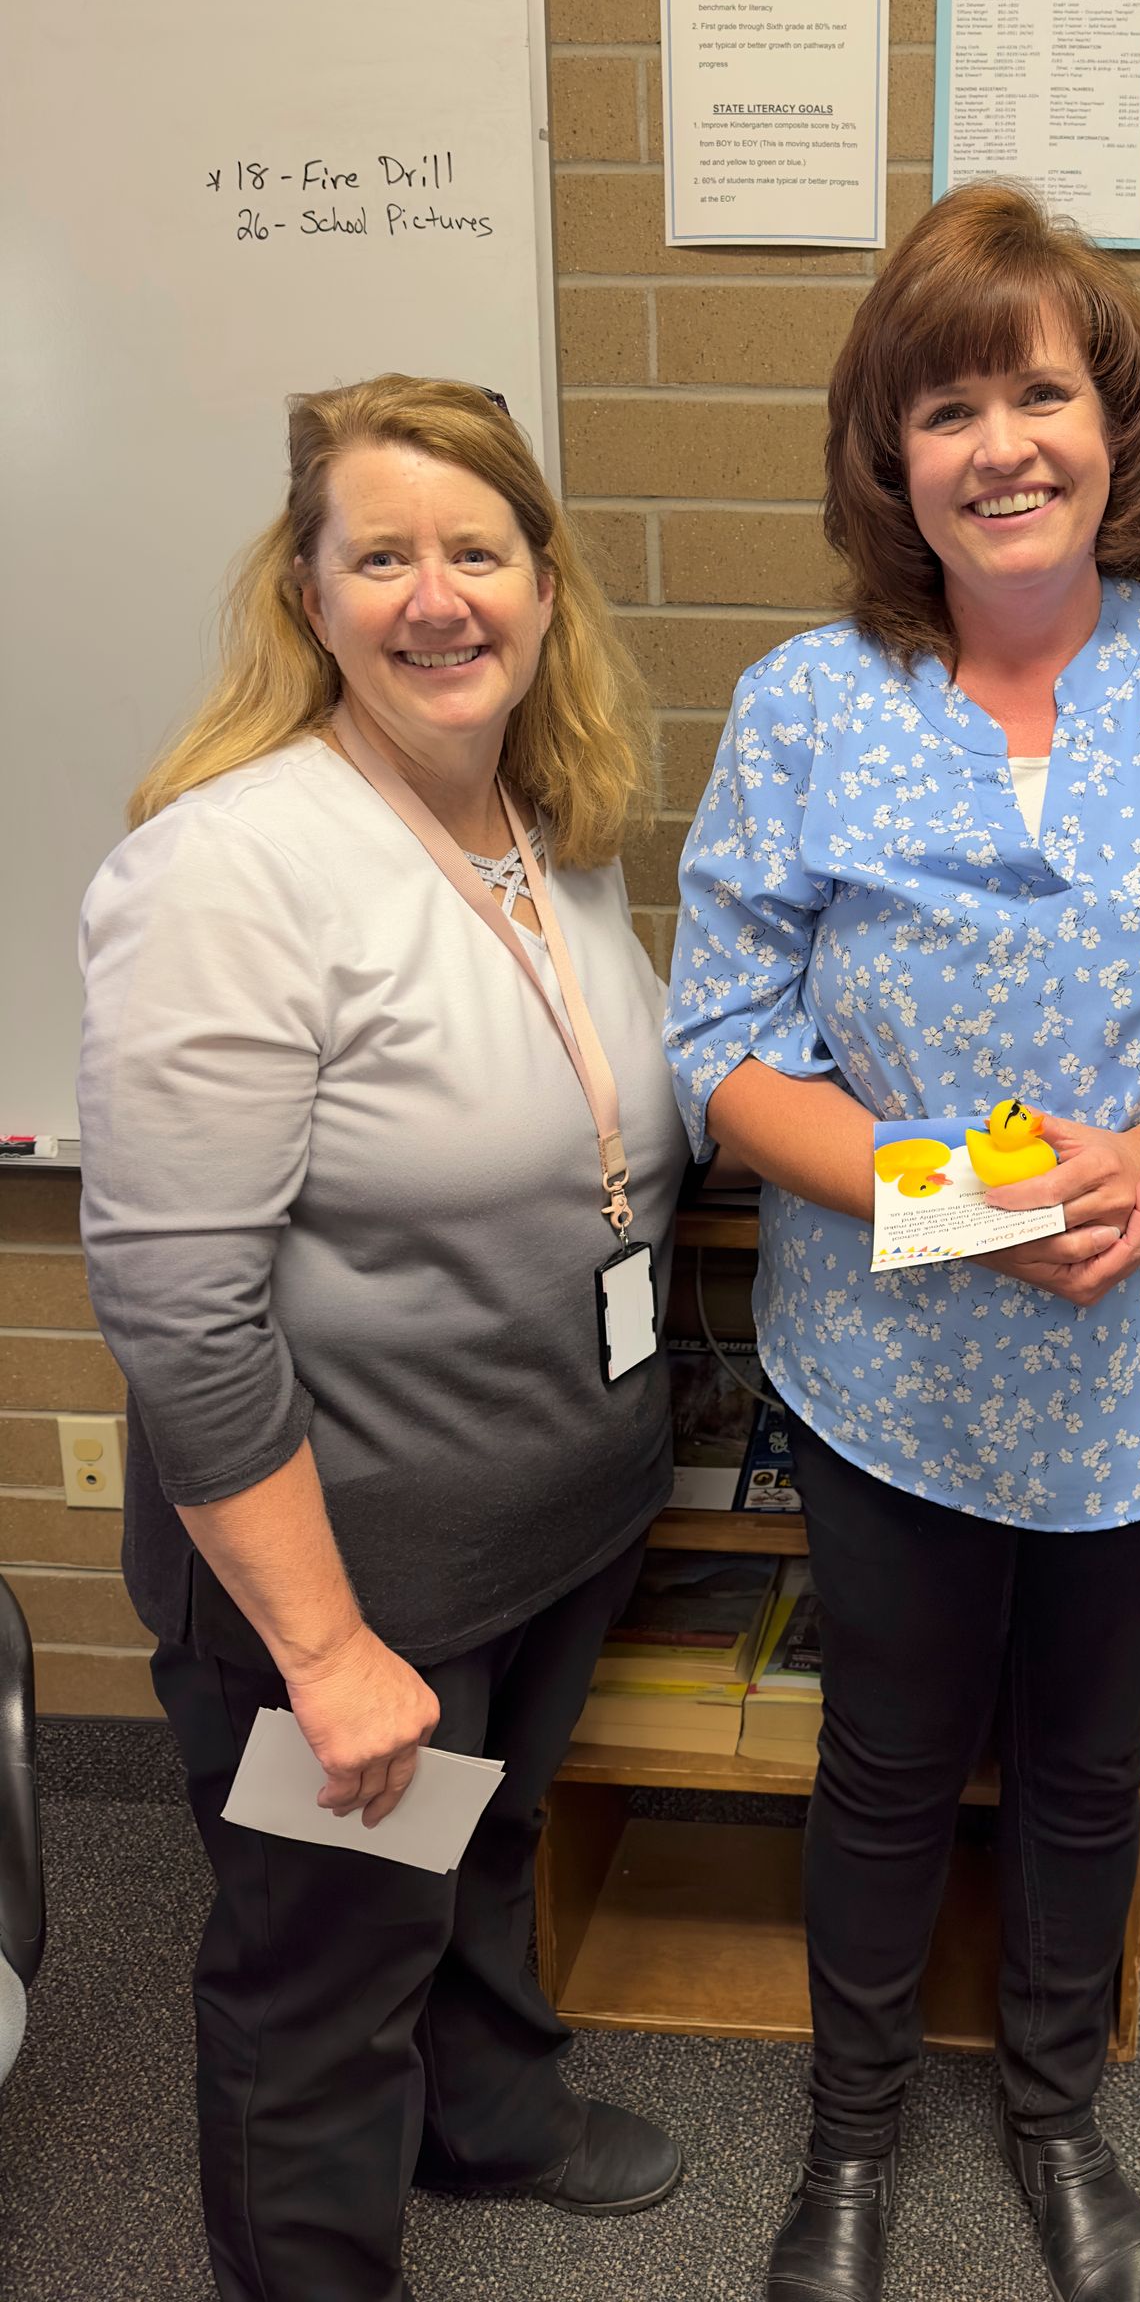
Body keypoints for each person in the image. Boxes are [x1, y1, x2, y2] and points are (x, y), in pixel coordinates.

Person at [664, 183, 1140, 2302]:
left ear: (1115, 416)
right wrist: (961, 1198)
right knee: (891, 1756)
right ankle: (853, 2136)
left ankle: (1058, 2109)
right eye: (949, 403)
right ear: (888, 455)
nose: (1004, 441)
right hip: (892, 1370)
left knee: (1091, 1760)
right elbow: (719, 1038)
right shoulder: (811, 698)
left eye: (1044, 390)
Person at [78, 376, 689, 2302]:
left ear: (541, 585)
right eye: (384, 554)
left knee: (481, 1858)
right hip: (340, 1590)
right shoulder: (227, 871)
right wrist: (328, 1652)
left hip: (547, 1532)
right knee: (321, 1963)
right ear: (312, 594)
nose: (440, 597)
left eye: (478, 550)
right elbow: (182, 1309)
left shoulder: (550, 830)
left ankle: (489, 2123)